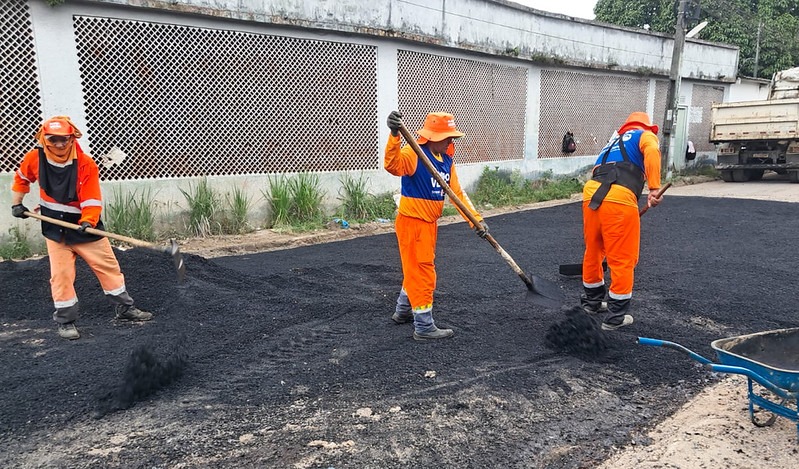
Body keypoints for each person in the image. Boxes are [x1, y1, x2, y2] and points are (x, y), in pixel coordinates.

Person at [10, 116, 153, 340]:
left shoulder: (86, 164)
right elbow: (21, 179)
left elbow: (91, 198)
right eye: (53, 140)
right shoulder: (34, 159)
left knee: (108, 267)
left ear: (71, 138)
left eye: (63, 140)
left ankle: (125, 309)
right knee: (61, 275)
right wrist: (17, 204)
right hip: (55, 229)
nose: (58, 145)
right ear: (44, 139)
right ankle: (66, 322)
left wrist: (88, 221)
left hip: (84, 227)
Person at [384, 111, 487, 341]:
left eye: (452, 138)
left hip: (429, 225)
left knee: (416, 267)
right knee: (423, 272)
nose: (451, 142)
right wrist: (394, 135)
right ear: (432, 137)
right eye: (447, 137)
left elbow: (458, 194)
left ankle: (403, 311)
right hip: (412, 223)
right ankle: (423, 326)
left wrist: (475, 220)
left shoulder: (446, 161)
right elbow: (393, 165)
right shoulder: (414, 153)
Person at [580, 112, 664, 331]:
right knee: (622, 258)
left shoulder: (612, 142)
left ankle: (592, 303)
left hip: (591, 195)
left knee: (594, 250)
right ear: (647, 126)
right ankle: (615, 317)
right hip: (618, 197)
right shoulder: (644, 135)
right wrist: (654, 188)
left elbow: (597, 171)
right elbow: (653, 151)